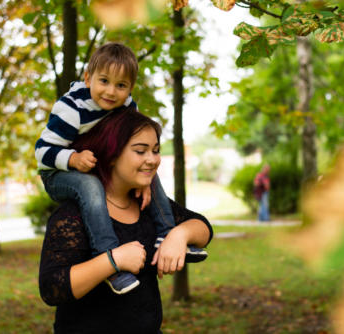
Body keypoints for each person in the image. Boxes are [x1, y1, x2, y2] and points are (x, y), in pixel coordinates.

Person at [35, 42, 206, 294]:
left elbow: (203, 228)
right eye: (103, 81)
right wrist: (73, 159)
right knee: (90, 185)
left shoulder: (126, 107)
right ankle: (109, 253)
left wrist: (179, 236)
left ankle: (165, 231)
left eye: (121, 85)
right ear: (87, 78)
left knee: (150, 172)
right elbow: (42, 151)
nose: (111, 92)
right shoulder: (72, 108)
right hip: (57, 171)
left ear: (130, 88)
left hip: (90, 167)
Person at [38, 108, 213, 333]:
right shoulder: (73, 215)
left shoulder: (147, 203)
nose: (152, 160)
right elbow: (52, 288)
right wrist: (113, 261)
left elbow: (202, 227)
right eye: (140, 151)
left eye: (156, 150)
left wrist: (179, 235)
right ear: (111, 155)